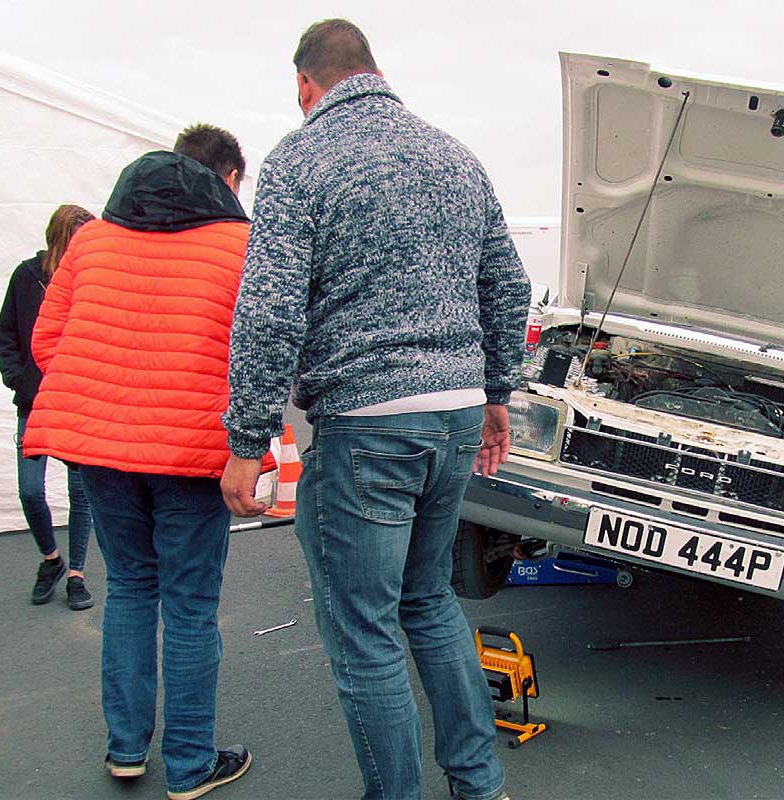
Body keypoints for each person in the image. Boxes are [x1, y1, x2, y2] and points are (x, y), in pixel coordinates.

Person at [219, 18, 530, 800]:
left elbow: (269, 308)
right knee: (427, 600)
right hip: (456, 415)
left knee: (363, 633)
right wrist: (495, 393)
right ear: (373, 69)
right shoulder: (455, 156)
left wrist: (248, 436)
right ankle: (479, 784)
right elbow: (509, 286)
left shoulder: (300, 158)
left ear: (305, 85)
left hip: (368, 423)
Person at [22, 124, 258, 800]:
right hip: (189, 450)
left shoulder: (92, 239)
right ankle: (189, 766)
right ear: (228, 181)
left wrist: (110, 390)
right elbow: (258, 354)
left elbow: (47, 344)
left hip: (100, 449)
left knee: (129, 589)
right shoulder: (238, 244)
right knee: (188, 607)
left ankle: (126, 748)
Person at [0, 205, 96, 610]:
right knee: (30, 490)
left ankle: (77, 574)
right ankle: (50, 560)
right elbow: (6, 333)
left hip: (79, 403)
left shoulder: (94, 278)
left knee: (80, 493)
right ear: (60, 239)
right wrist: (18, 379)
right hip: (35, 401)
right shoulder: (27, 277)